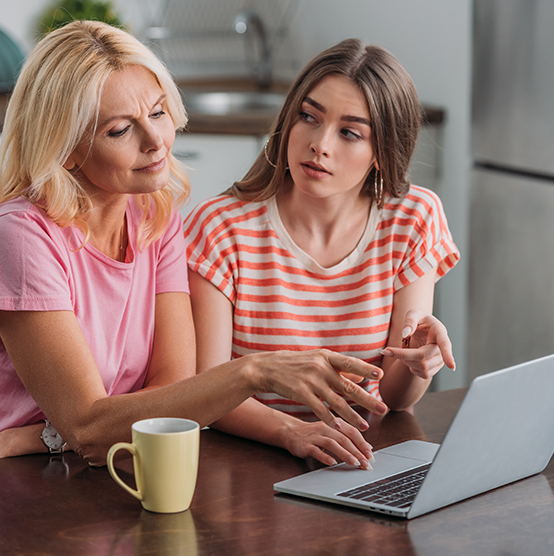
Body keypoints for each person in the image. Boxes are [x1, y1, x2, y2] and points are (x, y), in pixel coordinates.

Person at [0, 23, 389, 470]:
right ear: (67, 148)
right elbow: (91, 428)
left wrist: (40, 437)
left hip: (69, 469)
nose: (157, 141)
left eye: (157, 112)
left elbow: (173, 392)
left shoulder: (156, 218)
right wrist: (253, 372)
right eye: (120, 129)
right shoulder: (24, 237)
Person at [185, 39, 460, 470]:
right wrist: (290, 432)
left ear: (381, 154)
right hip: (248, 465)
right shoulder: (220, 227)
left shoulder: (413, 218)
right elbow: (207, 393)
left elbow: (393, 400)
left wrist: (419, 360)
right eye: (308, 117)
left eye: (349, 132)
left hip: (355, 461)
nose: (319, 144)